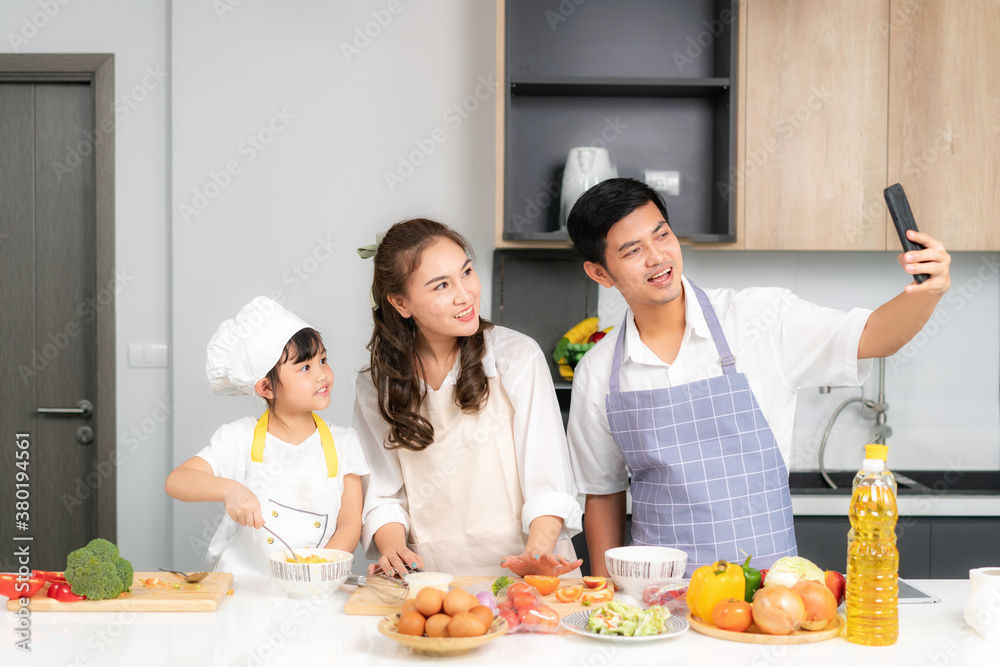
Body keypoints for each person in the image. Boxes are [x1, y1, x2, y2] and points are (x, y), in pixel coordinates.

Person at [565, 178, 951, 576]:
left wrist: (928, 291)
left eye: (662, 235)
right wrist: (605, 594)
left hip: (767, 595)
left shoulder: (762, 319)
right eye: (632, 251)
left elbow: (874, 336)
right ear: (600, 273)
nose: (656, 257)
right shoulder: (598, 371)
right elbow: (604, 494)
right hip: (655, 599)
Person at [355, 218, 583, 578]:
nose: (465, 294)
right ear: (400, 302)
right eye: (442, 285)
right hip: (432, 581)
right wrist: (394, 549)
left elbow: (549, 479)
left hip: (530, 573)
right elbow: (383, 496)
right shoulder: (377, 384)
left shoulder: (517, 357)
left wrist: (536, 556)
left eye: (466, 272)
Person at [166, 297, 369, 575]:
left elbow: (350, 525)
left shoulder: (345, 443)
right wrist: (230, 490)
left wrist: (317, 572)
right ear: (266, 388)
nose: (322, 374)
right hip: (242, 591)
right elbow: (177, 481)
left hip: (313, 589)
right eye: (305, 368)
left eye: (323, 360)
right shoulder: (239, 438)